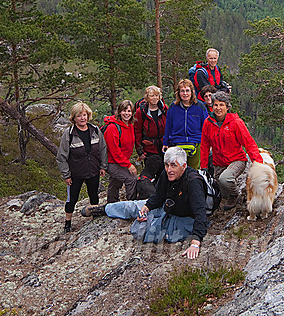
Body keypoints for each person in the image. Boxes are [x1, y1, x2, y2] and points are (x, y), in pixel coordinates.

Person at [101, 147, 208, 259]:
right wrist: (147, 207)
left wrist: (195, 243)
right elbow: (158, 196)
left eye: (173, 165)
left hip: (181, 217)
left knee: (143, 233)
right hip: (167, 206)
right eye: (167, 165)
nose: (169, 169)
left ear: (184, 166)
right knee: (135, 206)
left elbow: (200, 214)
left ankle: (148, 221)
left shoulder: (193, 182)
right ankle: (105, 209)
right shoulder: (167, 174)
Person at [199, 91, 263, 210]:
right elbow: (204, 146)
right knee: (219, 187)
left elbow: (248, 142)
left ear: (227, 107)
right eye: (216, 105)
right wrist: (204, 167)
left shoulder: (236, 123)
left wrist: (257, 162)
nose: (218, 108)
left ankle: (235, 195)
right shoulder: (208, 123)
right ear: (212, 106)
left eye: (221, 105)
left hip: (237, 160)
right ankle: (227, 198)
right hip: (219, 162)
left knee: (225, 179)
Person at [56, 101, 108, 233]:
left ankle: (95, 218)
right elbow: (61, 156)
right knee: (72, 199)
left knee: (94, 195)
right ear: (74, 118)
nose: (82, 118)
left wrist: (103, 166)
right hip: (76, 173)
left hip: (93, 171)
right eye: (79, 116)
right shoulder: (69, 134)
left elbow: (102, 149)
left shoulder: (95, 130)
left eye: (84, 115)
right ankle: (68, 223)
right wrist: (66, 175)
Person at [162, 79, 208, 170]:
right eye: (182, 91)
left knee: (194, 170)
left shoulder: (200, 106)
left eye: (187, 91)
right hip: (177, 142)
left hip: (196, 142)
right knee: (177, 170)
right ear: (178, 93)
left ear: (192, 92)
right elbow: (168, 126)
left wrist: (208, 143)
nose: (185, 94)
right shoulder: (173, 107)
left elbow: (206, 127)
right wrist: (165, 142)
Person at [133, 85, 168, 187]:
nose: (154, 98)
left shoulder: (165, 110)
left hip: (163, 146)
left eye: (157, 95)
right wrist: (139, 151)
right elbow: (137, 132)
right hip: (149, 147)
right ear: (147, 97)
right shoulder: (141, 112)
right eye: (152, 96)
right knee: (151, 171)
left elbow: (170, 127)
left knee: (164, 173)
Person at [103, 100, 137, 203]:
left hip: (121, 160)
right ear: (119, 112)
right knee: (131, 178)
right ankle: (132, 204)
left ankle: (111, 203)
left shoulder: (129, 125)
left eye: (129, 111)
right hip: (111, 162)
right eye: (124, 111)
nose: (127, 113)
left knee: (115, 182)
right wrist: (128, 165)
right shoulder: (112, 128)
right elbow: (115, 151)